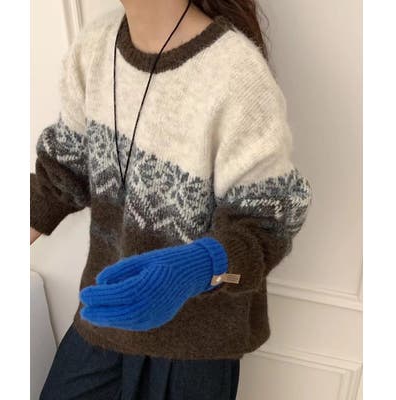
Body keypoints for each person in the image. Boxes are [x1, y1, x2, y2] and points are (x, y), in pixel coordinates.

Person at [30, 0, 313, 399]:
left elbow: (266, 226)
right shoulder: (95, 47)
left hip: (197, 349)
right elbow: (63, 172)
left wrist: (196, 268)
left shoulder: (237, 74)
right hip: (106, 312)